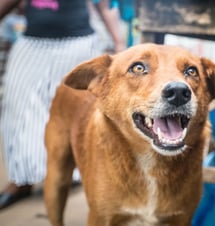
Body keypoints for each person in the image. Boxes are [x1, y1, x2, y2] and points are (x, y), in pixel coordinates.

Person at [0, 0, 126, 210]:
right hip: (32, 44)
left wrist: (120, 45)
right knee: (18, 108)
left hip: (78, 45)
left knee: (82, 112)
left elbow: (105, 6)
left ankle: (75, 172)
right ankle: (22, 181)